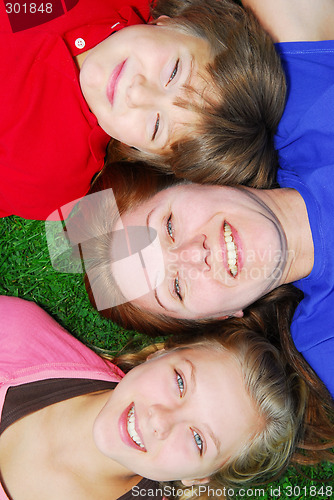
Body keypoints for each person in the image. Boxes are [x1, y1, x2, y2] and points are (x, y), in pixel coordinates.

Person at [0, 295, 317, 499]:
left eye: (197, 440)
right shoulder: (15, 335)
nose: (160, 420)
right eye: (180, 382)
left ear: (199, 477)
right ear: (161, 353)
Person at [0, 0, 285, 220]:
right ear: (174, 23)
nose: (137, 93)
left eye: (156, 126)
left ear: (138, 151)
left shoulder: (45, 180)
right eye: (173, 73)